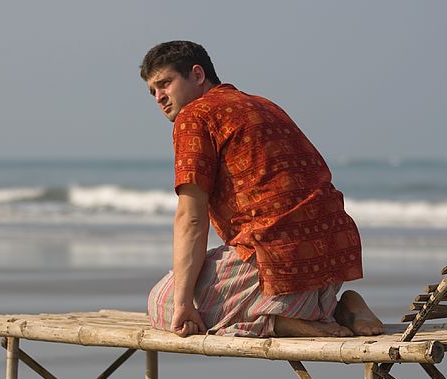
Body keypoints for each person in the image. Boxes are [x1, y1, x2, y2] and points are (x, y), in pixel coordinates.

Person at [140, 40, 383, 339]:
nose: (160, 98)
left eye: (165, 84)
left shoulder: (195, 116)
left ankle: (278, 323)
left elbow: (190, 219)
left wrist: (182, 302)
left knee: (163, 302)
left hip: (277, 262)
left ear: (198, 75)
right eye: (153, 91)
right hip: (329, 265)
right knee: (207, 281)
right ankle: (338, 308)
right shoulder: (264, 105)